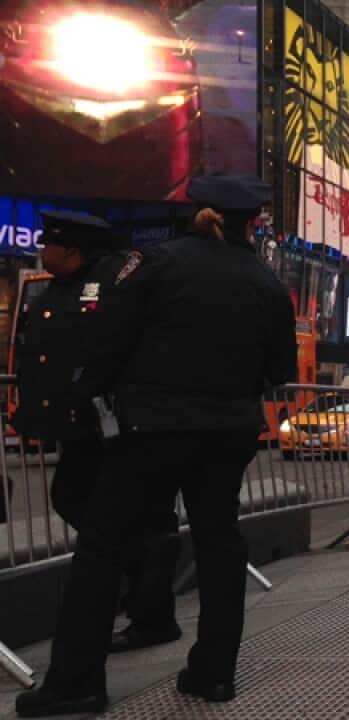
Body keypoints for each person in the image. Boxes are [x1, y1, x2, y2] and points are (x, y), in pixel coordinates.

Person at [16, 175, 298, 718]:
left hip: (151, 431)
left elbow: (107, 345)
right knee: (220, 546)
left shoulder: (153, 264)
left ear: (196, 213)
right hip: (229, 434)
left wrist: (89, 397)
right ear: (252, 222)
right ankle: (213, 675)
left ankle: (77, 683)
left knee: (101, 547)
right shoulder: (265, 283)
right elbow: (280, 370)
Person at [11, 211, 182, 654]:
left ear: (72, 249)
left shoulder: (116, 281)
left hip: (119, 426)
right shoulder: (56, 288)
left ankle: (147, 605)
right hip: (83, 426)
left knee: (113, 517)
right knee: (80, 503)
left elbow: (108, 351)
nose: (41, 251)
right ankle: (142, 588)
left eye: (49, 244)